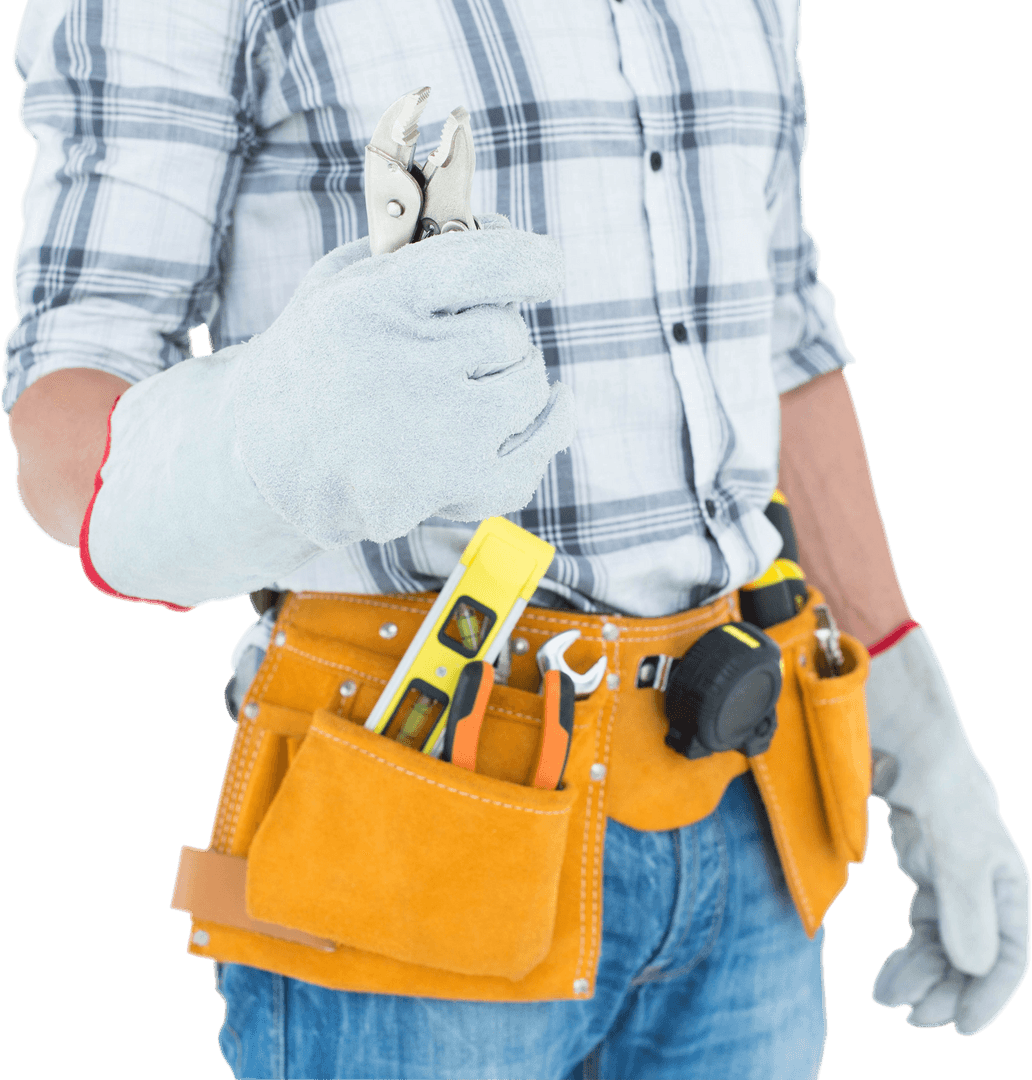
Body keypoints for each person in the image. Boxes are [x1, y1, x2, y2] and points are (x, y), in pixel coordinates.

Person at [4, 1, 1028, 1078]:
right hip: (420, 827)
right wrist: (273, 435)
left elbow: (780, 325)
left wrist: (915, 718)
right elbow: (64, 422)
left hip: (748, 822)